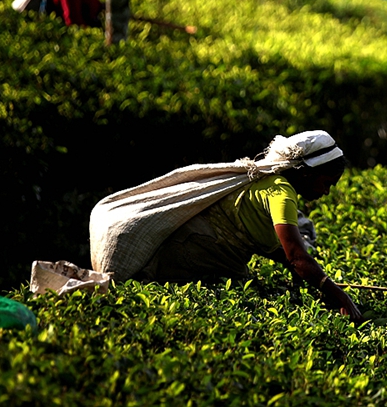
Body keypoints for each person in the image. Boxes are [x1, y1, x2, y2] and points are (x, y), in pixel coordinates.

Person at [135, 131, 362, 322]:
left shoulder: (268, 180)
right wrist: (339, 296)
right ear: (306, 173)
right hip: (191, 256)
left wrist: (319, 281)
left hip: (188, 250)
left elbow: (280, 253)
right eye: (326, 183)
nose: (326, 192)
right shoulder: (281, 193)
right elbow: (296, 256)